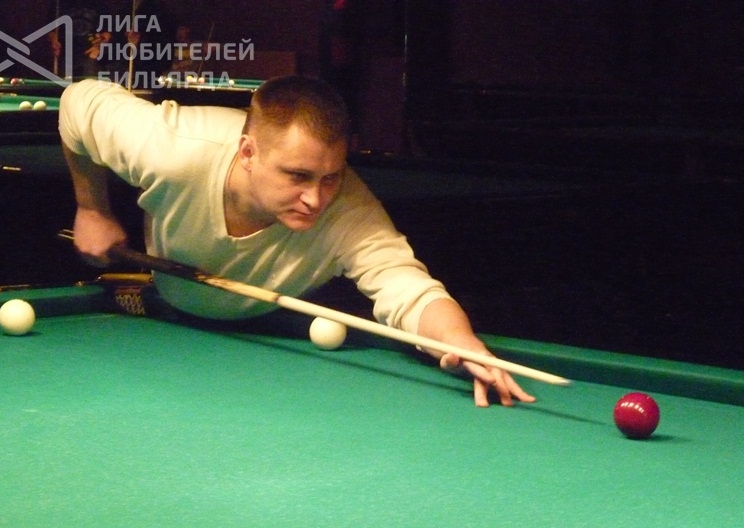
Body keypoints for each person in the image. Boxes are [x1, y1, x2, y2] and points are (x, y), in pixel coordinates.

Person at [59, 75, 536, 408]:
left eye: (331, 176)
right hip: (169, 325)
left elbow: (407, 288)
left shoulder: (348, 209)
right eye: (297, 176)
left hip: (272, 336)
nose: (316, 199)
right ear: (248, 152)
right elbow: (79, 101)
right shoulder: (173, 149)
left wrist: (460, 341)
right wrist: (92, 208)